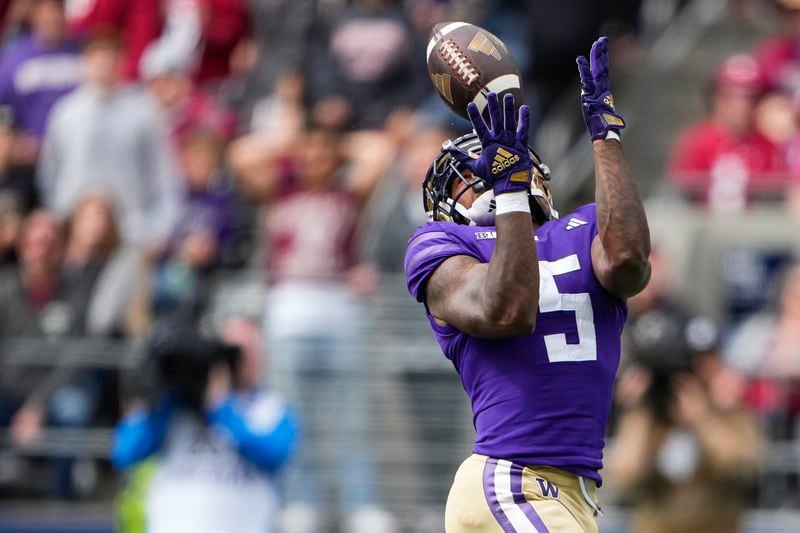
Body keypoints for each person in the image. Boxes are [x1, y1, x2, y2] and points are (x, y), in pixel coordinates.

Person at [404, 37, 650, 532]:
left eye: (495, 164)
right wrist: (509, 193)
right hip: (511, 481)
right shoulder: (442, 244)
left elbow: (629, 263)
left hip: (576, 492)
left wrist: (605, 135)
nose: (486, 179)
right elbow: (507, 309)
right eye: (472, 177)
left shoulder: (582, 229)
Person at [111, 318, 298, 533]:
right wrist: (162, 399)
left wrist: (219, 406)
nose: (240, 361)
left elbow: (274, 454)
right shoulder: (175, 407)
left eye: (247, 351)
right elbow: (124, 451)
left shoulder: (270, 409)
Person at [38, 34, 183, 252]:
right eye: (98, 58)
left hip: (132, 234)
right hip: (75, 237)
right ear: (85, 62)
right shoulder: (65, 113)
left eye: (111, 59)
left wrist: (159, 230)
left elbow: (164, 175)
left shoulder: (144, 113)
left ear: (122, 63)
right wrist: (61, 221)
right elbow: (50, 174)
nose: (104, 66)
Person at [667, 54, 787, 210]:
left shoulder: (768, 145)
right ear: (717, 98)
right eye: (732, 96)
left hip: (756, 230)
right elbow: (681, 193)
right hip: (704, 229)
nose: (742, 106)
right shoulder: (697, 141)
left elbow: (774, 199)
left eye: (751, 97)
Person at [0, 0, 81, 162]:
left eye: (58, 10)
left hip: (75, 153)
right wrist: (14, 139)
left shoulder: (81, 54)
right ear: (34, 15)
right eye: (46, 11)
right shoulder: (13, 60)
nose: (54, 17)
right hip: (30, 159)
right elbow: (3, 108)